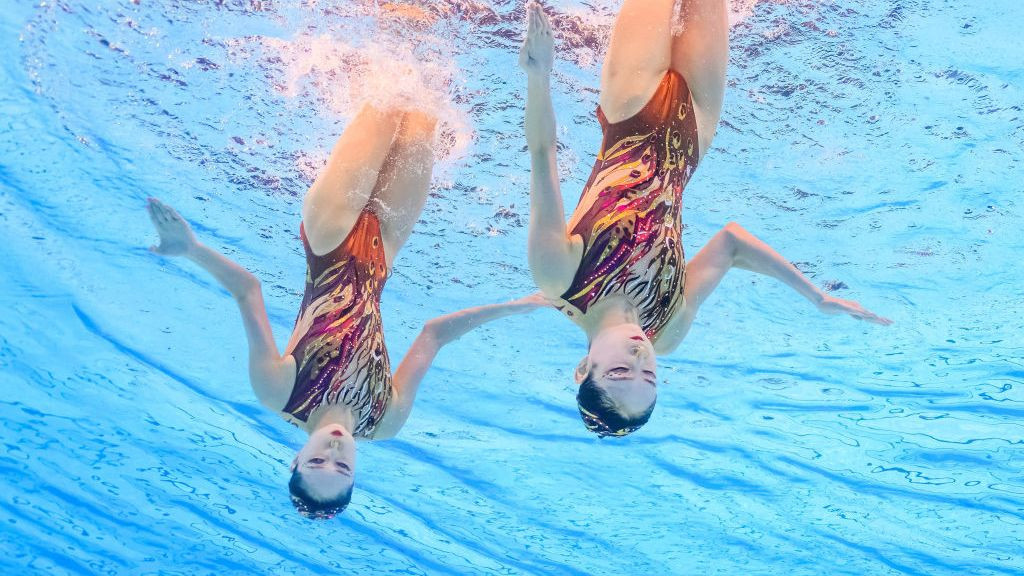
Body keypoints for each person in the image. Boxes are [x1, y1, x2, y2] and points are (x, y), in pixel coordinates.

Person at [147, 104, 545, 518]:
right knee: (424, 109)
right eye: (342, 467)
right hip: (383, 251)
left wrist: (192, 250)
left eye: (318, 461)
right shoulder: (385, 421)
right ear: (356, 474)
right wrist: (514, 307)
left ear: (296, 460)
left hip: (328, 239)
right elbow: (434, 335)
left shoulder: (279, 392)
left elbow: (248, 291)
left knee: (387, 103)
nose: (334, 451)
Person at [519, 1, 891, 438]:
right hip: (694, 131)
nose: (641, 359)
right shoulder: (669, 329)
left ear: (584, 368)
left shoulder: (559, 277)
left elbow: (543, 154)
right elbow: (730, 244)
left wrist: (538, 75)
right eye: (651, 377)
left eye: (621, 372)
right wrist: (815, 297)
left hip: (629, 109)